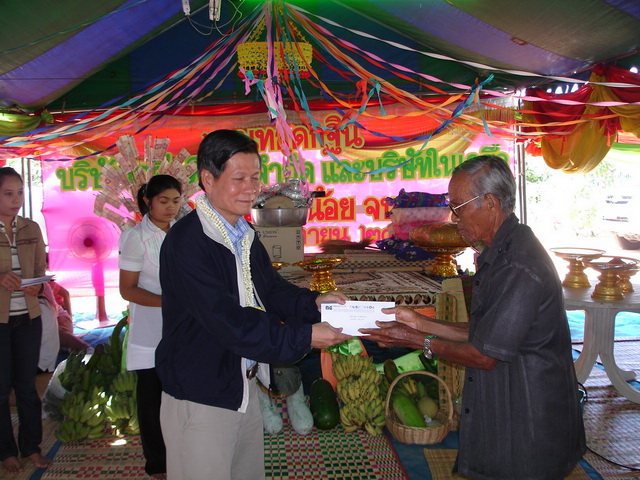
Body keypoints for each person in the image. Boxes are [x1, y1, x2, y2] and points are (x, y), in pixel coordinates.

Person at [361, 155, 586, 480]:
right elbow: (486, 331)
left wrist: (416, 339)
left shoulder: (518, 265)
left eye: (459, 207)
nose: (454, 218)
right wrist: (419, 322)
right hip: (511, 408)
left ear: (490, 203)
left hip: (529, 418)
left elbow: (483, 355)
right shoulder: (504, 249)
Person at [156, 129, 351, 480]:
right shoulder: (188, 242)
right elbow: (230, 321)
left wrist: (315, 303)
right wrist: (305, 336)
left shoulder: (244, 233)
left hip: (242, 385)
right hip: (201, 393)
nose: (251, 188)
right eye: (239, 178)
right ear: (208, 180)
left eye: (256, 177)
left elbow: (271, 291)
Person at [118, 174, 183, 480]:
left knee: (180, 396)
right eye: (163, 201)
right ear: (148, 202)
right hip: (150, 330)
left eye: (176, 201)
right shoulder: (136, 238)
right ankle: (157, 464)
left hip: (182, 328)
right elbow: (127, 289)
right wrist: (169, 302)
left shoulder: (182, 232)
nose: (171, 207)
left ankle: (181, 455)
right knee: (151, 399)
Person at [0, 167, 52, 473]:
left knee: (27, 388)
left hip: (29, 318)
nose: (16, 199)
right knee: (1, 388)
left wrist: (39, 286)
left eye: (20, 192)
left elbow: (41, 270)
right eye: (8, 194)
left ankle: (31, 448)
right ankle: (6, 452)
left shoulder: (31, 228)